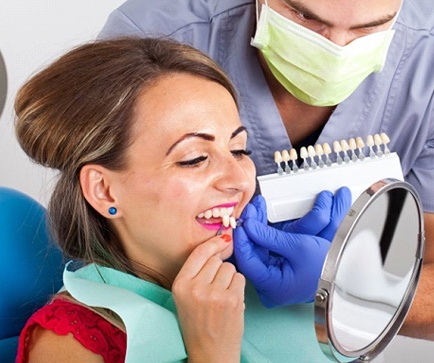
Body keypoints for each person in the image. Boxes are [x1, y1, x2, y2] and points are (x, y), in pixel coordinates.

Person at [99, 0, 434, 339]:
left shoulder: (426, 53)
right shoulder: (155, 38)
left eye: (368, 28)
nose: (337, 50)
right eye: (304, 16)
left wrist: (348, 282)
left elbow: (425, 237)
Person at [14, 37, 349, 362]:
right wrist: (211, 353)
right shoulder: (69, 344)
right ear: (104, 191)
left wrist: (341, 294)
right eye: (193, 159)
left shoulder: (265, 284)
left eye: (238, 150)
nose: (239, 181)